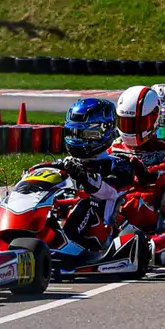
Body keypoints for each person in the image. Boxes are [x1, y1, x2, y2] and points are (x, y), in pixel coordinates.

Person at [110, 85, 165, 230]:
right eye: (126, 123)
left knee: (132, 205)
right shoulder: (114, 147)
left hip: (149, 211)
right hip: (111, 201)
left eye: (138, 124)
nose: (131, 130)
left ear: (154, 120)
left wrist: (145, 173)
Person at [56, 97, 133, 235]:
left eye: (85, 134)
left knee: (82, 205)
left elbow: (110, 191)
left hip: (101, 232)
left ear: (105, 131)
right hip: (63, 224)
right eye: (73, 134)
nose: (77, 140)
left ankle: (64, 242)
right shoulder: (68, 163)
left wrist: (85, 178)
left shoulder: (119, 164)